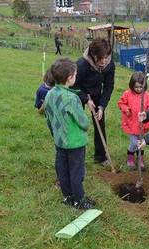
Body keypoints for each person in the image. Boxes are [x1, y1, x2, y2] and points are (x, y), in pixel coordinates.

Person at [43, 58, 95, 210]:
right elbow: (83, 122)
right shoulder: (72, 98)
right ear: (69, 78)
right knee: (76, 171)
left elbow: (48, 117)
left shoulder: (49, 94)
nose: (76, 77)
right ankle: (79, 199)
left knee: (62, 169)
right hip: (75, 142)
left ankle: (68, 197)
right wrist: (86, 124)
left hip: (59, 141)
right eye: (76, 75)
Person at [73, 38, 115, 166]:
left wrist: (101, 106)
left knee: (99, 121)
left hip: (96, 93)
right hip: (79, 92)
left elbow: (108, 86)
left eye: (106, 57)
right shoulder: (81, 64)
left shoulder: (109, 64)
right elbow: (73, 86)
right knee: (76, 123)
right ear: (93, 54)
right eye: (100, 58)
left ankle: (100, 156)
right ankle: (75, 154)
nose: (103, 61)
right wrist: (85, 99)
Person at [117, 72, 149, 170]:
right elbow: (121, 103)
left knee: (141, 143)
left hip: (142, 125)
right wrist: (126, 109)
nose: (138, 89)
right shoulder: (127, 94)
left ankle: (140, 159)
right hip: (131, 124)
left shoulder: (147, 96)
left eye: (141, 87)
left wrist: (147, 113)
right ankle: (130, 158)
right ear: (132, 85)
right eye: (136, 87)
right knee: (134, 143)